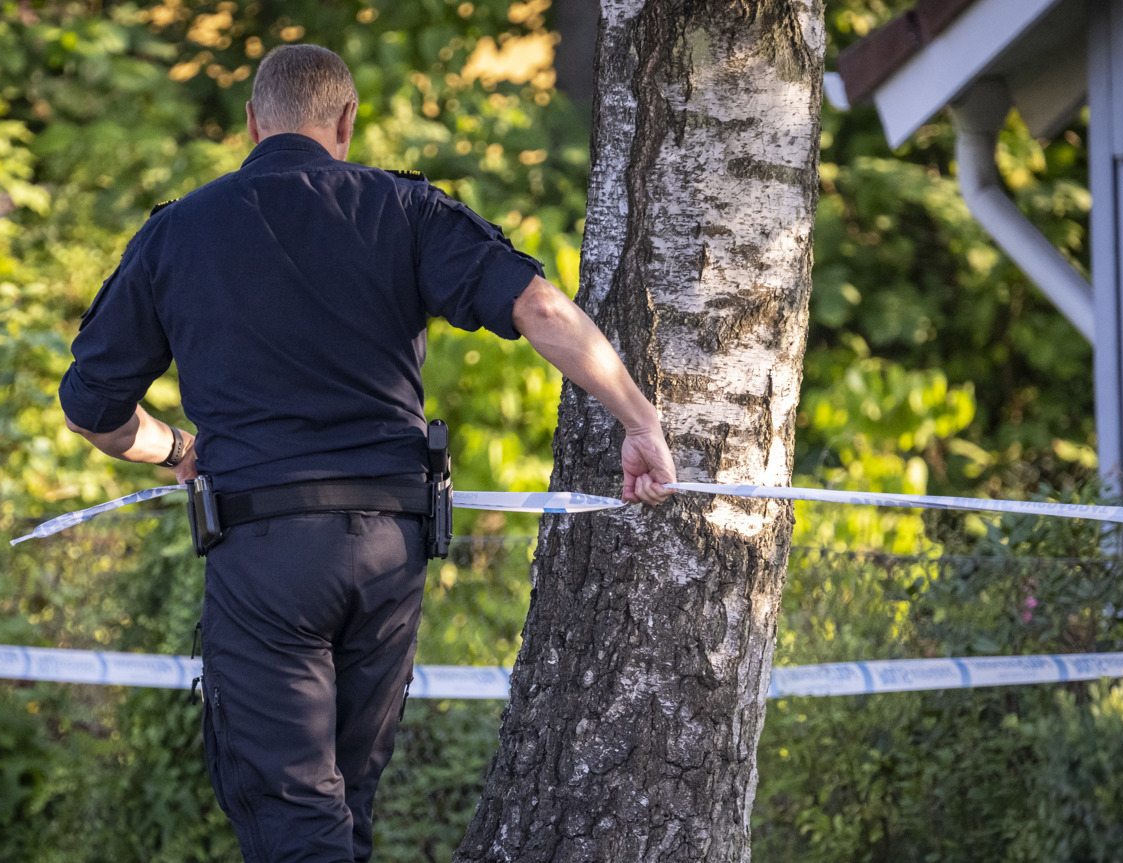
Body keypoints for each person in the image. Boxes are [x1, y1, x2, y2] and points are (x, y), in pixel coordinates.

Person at [58, 44, 675, 863]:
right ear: (346, 121)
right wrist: (640, 419)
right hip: (390, 554)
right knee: (344, 806)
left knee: (296, 815)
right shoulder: (406, 210)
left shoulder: (180, 232)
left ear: (251, 123)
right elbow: (542, 308)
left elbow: (93, 408)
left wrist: (174, 446)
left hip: (266, 552)